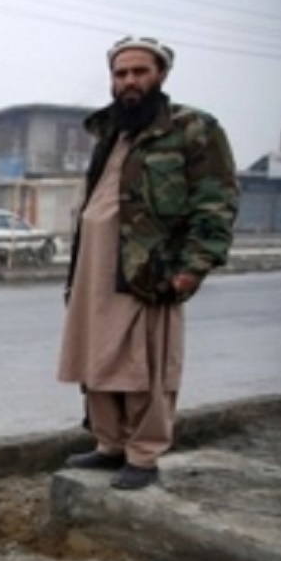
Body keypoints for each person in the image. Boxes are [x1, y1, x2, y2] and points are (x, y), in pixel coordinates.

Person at [58, 37, 238, 491]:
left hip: (149, 267)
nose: (130, 81)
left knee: (145, 366)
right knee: (95, 360)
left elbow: (216, 202)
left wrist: (193, 266)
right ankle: (110, 445)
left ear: (161, 75)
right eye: (121, 74)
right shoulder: (109, 131)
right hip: (93, 268)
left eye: (140, 72)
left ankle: (143, 453)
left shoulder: (193, 128)